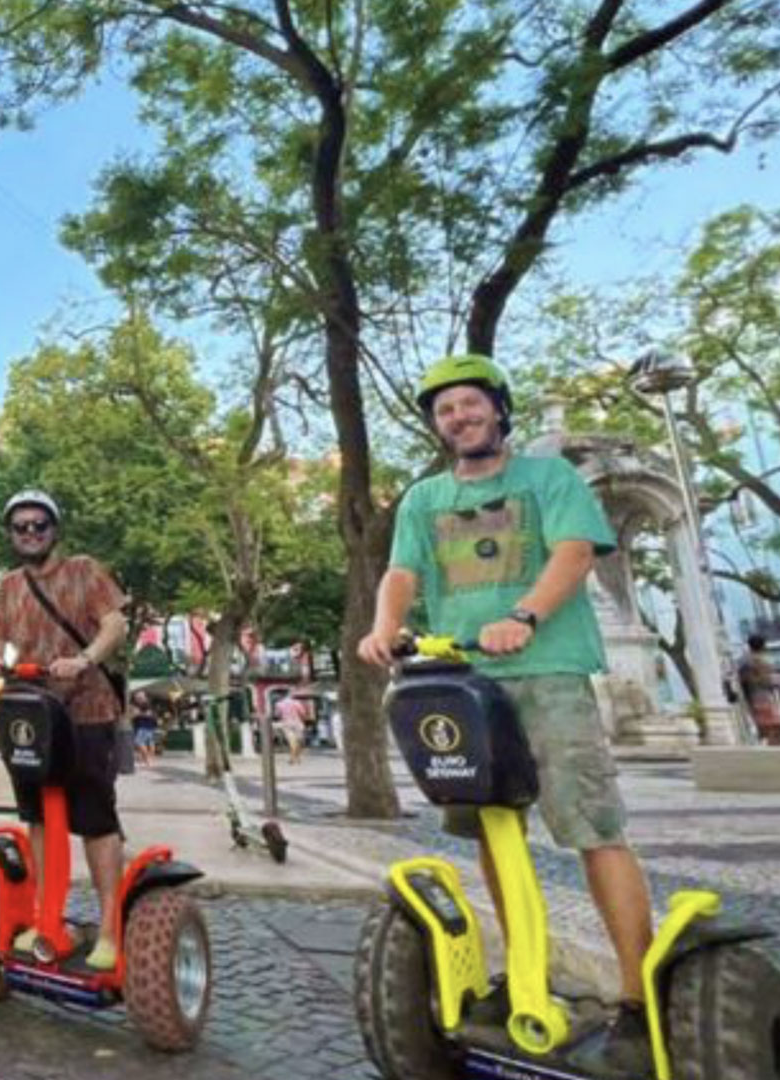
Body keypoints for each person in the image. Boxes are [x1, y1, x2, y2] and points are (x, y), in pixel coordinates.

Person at [358, 354, 653, 1072]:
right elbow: (402, 573)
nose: (458, 418)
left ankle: (639, 994)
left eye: (468, 404)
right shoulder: (427, 497)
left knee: (591, 826)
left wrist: (524, 615)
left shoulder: (549, 479)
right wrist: (382, 627)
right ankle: (525, 971)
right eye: (445, 411)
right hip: (462, 677)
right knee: (493, 827)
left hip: (545, 671)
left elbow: (576, 552)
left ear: (496, 407)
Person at [0, 490, 130, 972]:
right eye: (21, 527)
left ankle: (110, 927)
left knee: (95, 818)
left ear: (54, 530)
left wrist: (84, 659)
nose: (30, 533)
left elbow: (115, 626)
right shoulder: (7, 586)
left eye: (38, 525)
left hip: (86, 709)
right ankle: (50, 921)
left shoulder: (85, 571)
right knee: (40, 818)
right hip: (33, 716)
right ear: (11, 535)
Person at [739, 634, 780, 746]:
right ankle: (774, 748)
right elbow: (764, 680)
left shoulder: (743, 661)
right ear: (763, 646)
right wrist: (774, 681)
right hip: (763, 696)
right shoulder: (760, 661)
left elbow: (744, 680)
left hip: (752, 697)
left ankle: (770, 745)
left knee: (766, 726)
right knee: (774, 726)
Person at [272, 693, 309, 766]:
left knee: (291, 741)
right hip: (297, 723)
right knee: (299, 741)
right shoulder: (297, 703)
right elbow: (303, 713)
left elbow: (277, 714)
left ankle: (293, 758)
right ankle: (296, 757)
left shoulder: (279, 704)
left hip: (286, 723)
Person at [130, 690, 161, 766]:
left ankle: (147, 760)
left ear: (142, 697)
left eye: (138, 697)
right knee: (150, 743)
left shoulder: (145, 704)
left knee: (139, 742)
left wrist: (137, 714)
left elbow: (148, 714)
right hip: (148, 726)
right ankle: (149, 760)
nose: (136, 698)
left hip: (143, 726)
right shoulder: (146, 704)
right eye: (136, 697)